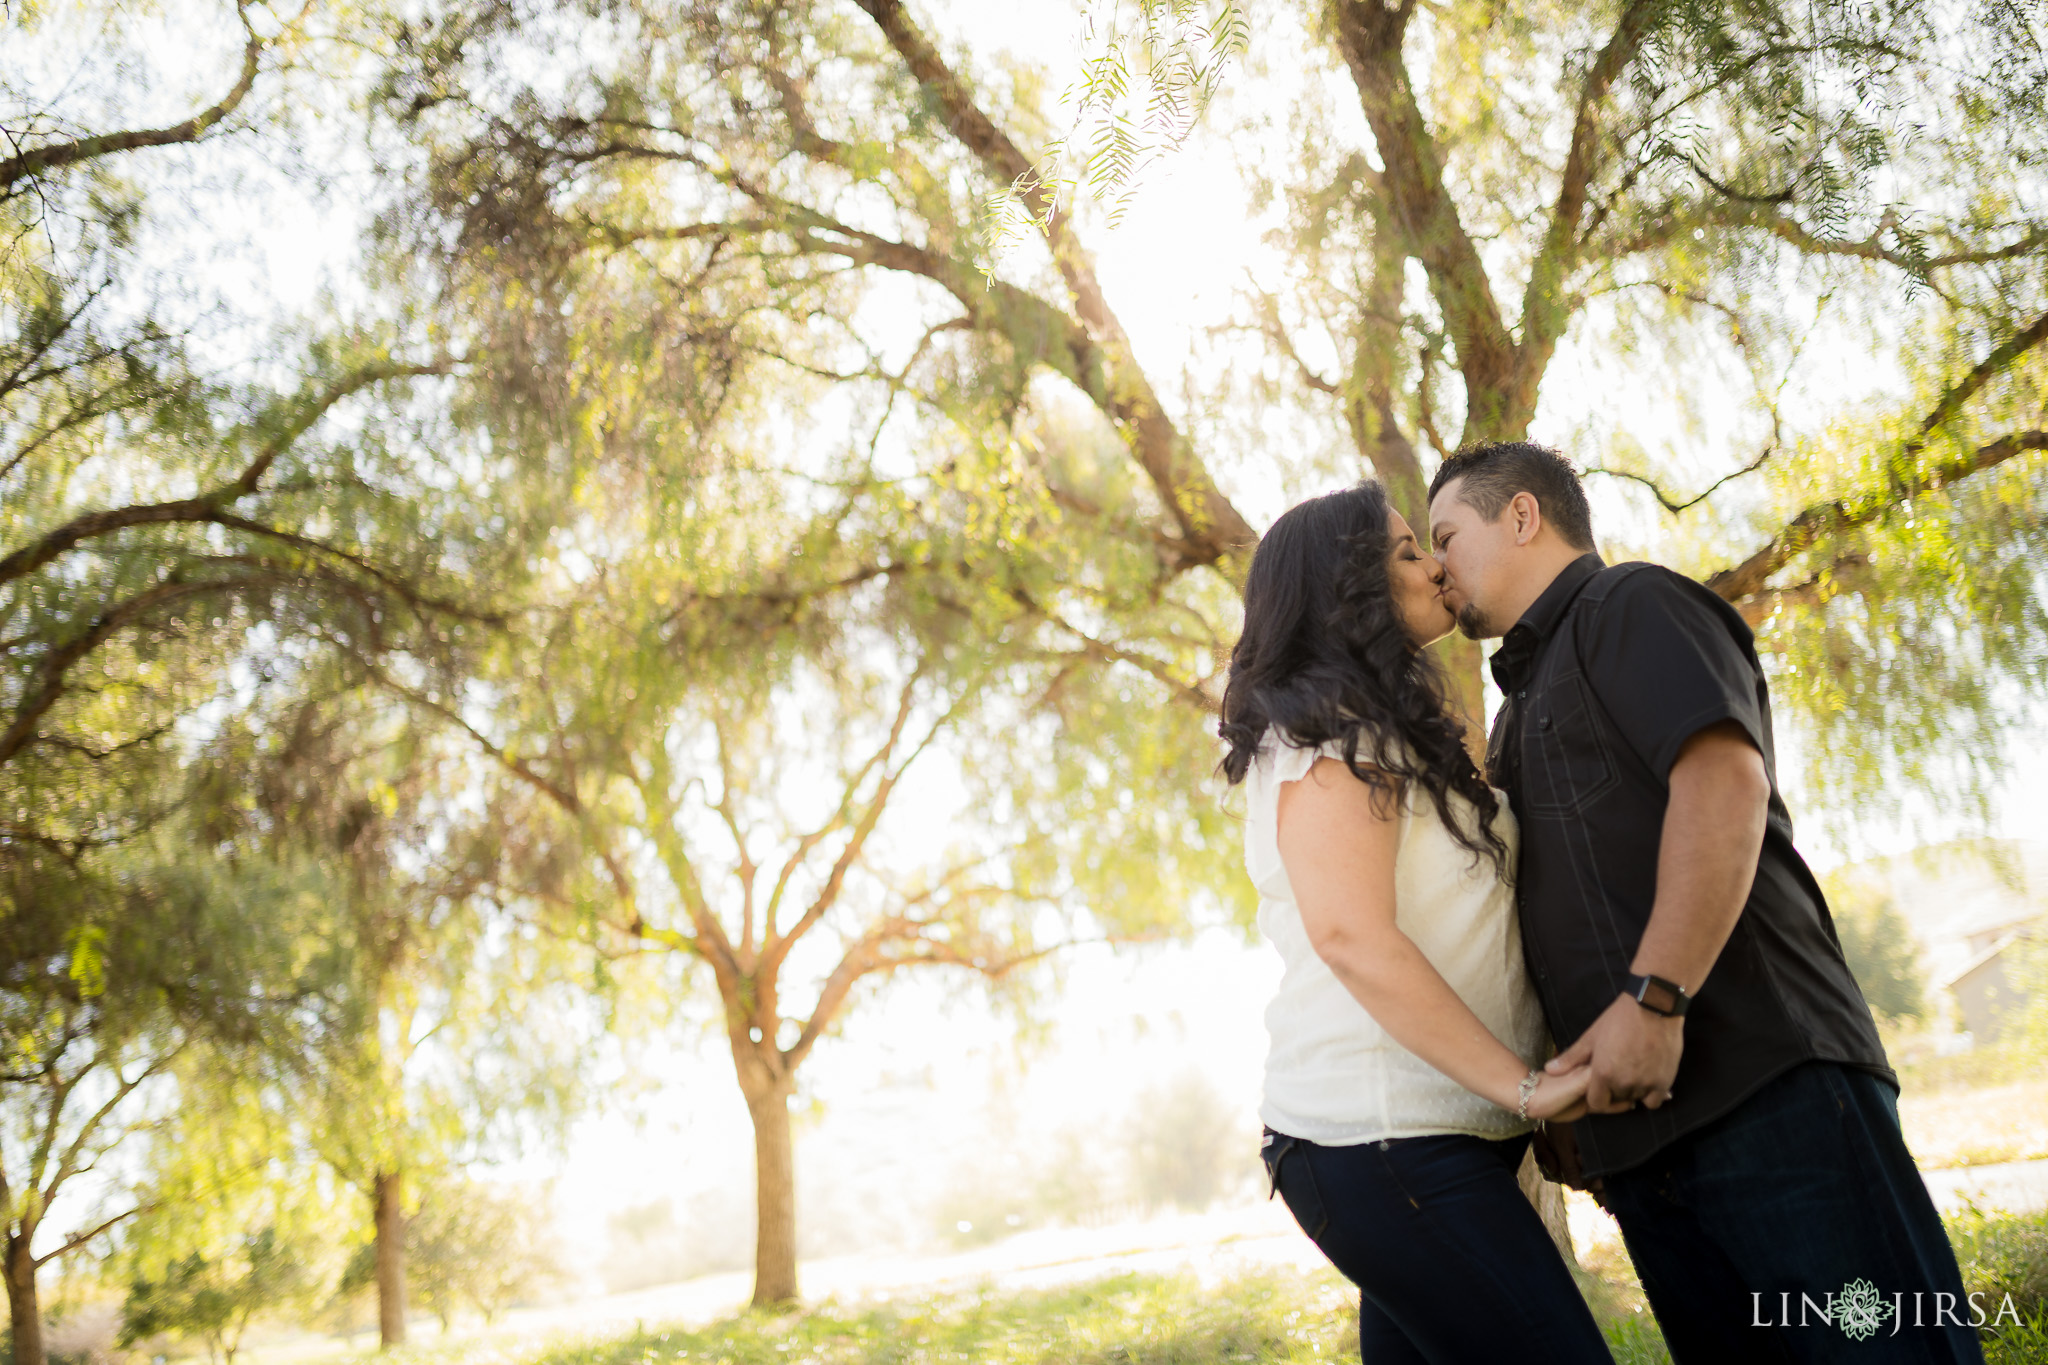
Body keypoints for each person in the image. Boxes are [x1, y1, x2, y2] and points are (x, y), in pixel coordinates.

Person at [1426, 441, 1983, 1365]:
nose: (1437, 563)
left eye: (1446, 534)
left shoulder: (1632, 605)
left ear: (1522, 516)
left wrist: (1657, 997)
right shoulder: (1516, 717)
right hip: (1639, 1151)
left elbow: (1726, 780)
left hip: (1767, 1093)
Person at [1219, 481, 1615, 1365]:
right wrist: (1526, 1085)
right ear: (1346, 589)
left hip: (1430, 1143)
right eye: (1406, 551)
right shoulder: (1328, 737)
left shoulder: (1393, 729)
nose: (1435, 563)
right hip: (1381, 1140)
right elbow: (1354, 938)